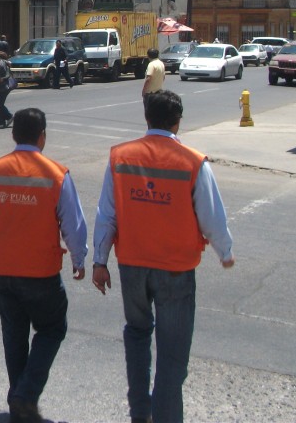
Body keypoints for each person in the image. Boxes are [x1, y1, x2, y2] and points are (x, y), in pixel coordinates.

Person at [92, 89, 235, 423]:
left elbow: (106, 214)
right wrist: (224, 252)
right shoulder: (192, 162)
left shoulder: (121, 157)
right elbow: (212, 217)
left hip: (132, 266)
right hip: (175, 269)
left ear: (147, 118)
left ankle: (140, 414)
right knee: (172, 353)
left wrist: (100, 261)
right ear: (178, 121)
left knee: (137, 334)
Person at [0, 107, 88, 423]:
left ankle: (19, 404)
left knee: (14, 334)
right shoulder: (55, 174)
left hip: (2, 269)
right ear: (43, 136)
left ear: (13, 135)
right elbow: (73, 223)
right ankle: (26, 394)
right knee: (52, 328)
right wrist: (79, 258)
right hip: (40, 271)